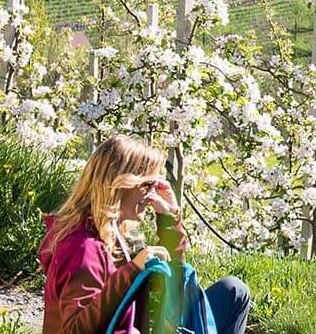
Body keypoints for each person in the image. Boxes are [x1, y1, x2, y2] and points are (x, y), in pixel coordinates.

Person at [38, 134, 251, 334]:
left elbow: (172, 283)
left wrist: (169, 218)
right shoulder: (83, 247)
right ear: (118, 185)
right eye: (147, 185)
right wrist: (132, 270)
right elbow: (75, 329)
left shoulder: (111, 234)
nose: (152, 196)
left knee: (233, 291)